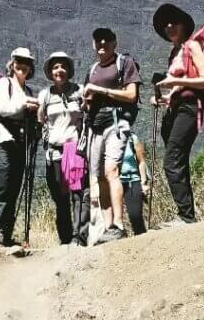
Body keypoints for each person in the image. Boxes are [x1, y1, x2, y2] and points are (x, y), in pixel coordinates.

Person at [150, 2, 204, 226]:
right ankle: (187, 215)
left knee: (171, 160)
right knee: (179, 161)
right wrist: (164, 97)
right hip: (176, 108)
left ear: (184, 25)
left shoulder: (192, 46)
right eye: (165, 24)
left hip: (189, 108)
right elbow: (181, 86)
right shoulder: (175, 52)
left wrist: (175, 81)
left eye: (173, 22)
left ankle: (186, 217)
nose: (169, 26)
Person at [80, 27, 141, 245]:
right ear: (93, 44)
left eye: (107, 40)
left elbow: (132, 95)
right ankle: (107, 228)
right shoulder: (93, 68)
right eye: (98, 40)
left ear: (115, 43)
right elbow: (88, 101)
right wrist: (86, 99)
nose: (102, 43)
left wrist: (101, 91)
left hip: (116, 122)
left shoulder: (124, 63)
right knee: (99, 177)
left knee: (111, 170)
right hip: (95, 126)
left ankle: (118, 224)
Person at [0, 47, 39, 246]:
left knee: (15, 186)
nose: (22, 65)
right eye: (19, 61)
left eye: (26, 62)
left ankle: (5, 233)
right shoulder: (3, 84)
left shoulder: (27, 91)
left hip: (20, 142)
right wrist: (25, 105)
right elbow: (2, 108)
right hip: (3, 139)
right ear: (12, 63)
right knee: (2, 184)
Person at [37, 51, 86, 246]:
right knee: (60, 196)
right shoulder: (45, 95)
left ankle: (79, 236)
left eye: (63, 66)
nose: (60, 70)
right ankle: (65, 238)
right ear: (50, 72)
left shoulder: (78, 91)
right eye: (56, 67)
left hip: (74, 149)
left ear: (69, 70)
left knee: (77, 193)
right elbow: (41, 120)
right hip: (54, 151)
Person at [119, 136, 149, 236]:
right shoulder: (105, 138)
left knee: (135, 216)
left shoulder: (132, 138)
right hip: (114, 183)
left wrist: (143, 182)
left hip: (132, 181)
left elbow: (141, 161)